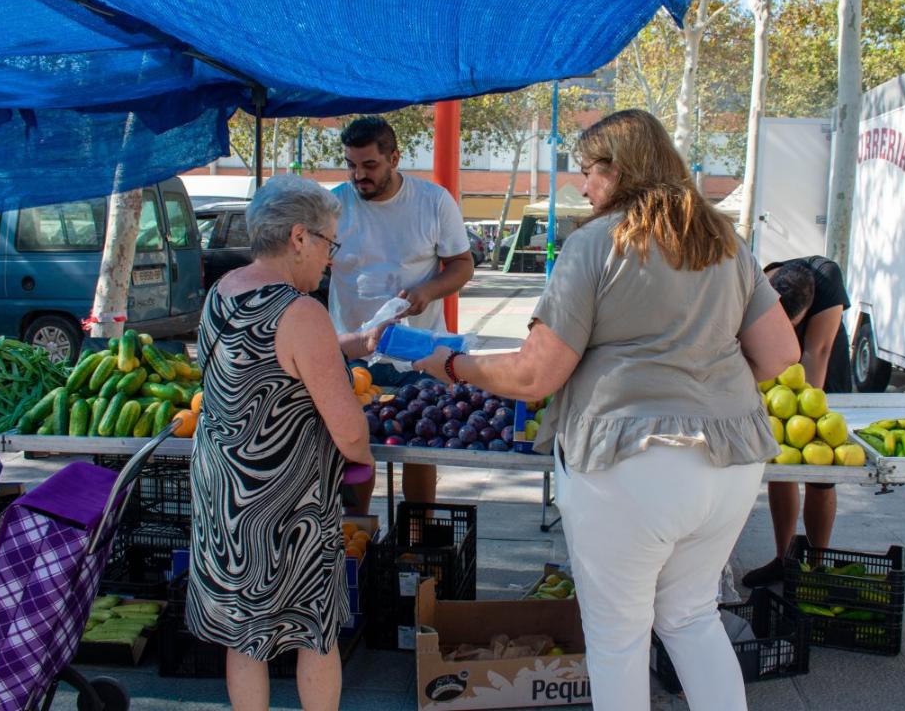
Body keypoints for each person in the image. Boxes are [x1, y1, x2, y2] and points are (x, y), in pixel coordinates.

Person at [414, 109, 800, 711]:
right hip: (730, 461)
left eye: (589, 172)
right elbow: (780, 354)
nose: (583, 187)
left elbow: (536, 374)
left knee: (617, 639)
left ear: (619, 171)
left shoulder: (596, 243)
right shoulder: (724, 241)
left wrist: (453, 364)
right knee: (692, 618)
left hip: (627, 464)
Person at [187, 175, 379, 711]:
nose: (330, 260)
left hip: (225, 495)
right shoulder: (302, 312)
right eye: (328, 243)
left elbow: (260, 358)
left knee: (243, 637)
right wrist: (365, 454)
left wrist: (343, 344)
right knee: (313, 635)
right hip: (286, 507)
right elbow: (350, 434)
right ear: (299, 237)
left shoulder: (222, 291)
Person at [329, 116, 474, 513]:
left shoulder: (433, 201)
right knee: (356, 450)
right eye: (351, 165)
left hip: (418, 350)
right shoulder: (334, 205)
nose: (359, 175)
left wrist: (428, 291)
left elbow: (463, 265)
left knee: (418, 444)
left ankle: (419, 535)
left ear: (394, 158)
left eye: (369, 165)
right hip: (351, 351)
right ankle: (358, 530)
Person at [742, 257, 851, 590]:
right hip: (775, 368)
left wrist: (805, 418)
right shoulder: (756, 280)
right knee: (782, 463)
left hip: (820, 373)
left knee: (820, 474)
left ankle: (816, 567)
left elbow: (816, 351)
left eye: (795, 323)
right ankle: (783, 559)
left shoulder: (826, 277)